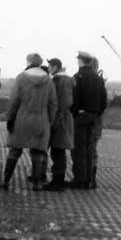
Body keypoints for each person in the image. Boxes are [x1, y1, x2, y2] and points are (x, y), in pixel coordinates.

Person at [1, 53, 57, 191]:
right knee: (38, 153)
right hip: (41, 120)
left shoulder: (21, 78)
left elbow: (14, 100)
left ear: (29, 62)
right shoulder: (48, 80)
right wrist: (49, 120)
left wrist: (10, 118)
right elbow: (53, 104)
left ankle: (6, 181)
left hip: (22, 119)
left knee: (15, 150)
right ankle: (37, 183)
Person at [71, 50, 109, 189]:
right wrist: (96, 113)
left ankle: (79, 179)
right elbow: (104, 100)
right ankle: (89, 179)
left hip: (80, 117)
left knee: (78, 149)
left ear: (81, 61)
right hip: (93, 117)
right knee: (90, 149)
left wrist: (75, 112)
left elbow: (74, 99)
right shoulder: (98, 79)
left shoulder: (77, 77)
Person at [46, 57, 75, 192]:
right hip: (63, 118)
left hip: (60, 119)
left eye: (50, 66)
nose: (48, 69)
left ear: (55, 67)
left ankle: (58, 182)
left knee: (58, 150)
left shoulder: (59, 81)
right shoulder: (66, 80)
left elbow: (63, 102)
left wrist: (56, 120)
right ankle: (58, 180)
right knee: (58, 150)